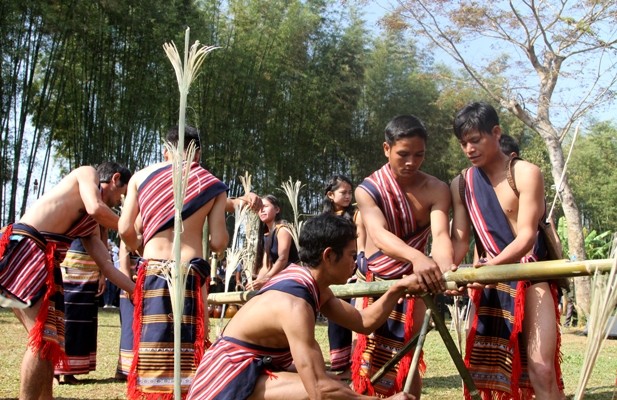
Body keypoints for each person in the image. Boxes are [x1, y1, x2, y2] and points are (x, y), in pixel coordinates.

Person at [187, 213, 418, 400]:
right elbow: (318, 390)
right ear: (329, 256)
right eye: (350, 255)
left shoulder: (311, 286)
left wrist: (396, 289)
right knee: (317, 390)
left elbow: (363, 322)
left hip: (246, 376)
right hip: (224, 384)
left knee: (333, 386)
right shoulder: (295, 306)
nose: (355, 262)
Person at [450, 101, 564, 399]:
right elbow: (460, 240)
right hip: (489, 286)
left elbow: (526, 236)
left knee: (542, 370)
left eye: (475, 140)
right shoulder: (462, 184)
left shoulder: (527, 173)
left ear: (496, 133)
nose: (469, 149)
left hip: (531, 277)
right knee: (488, 378)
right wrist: (446, 270)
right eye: (463, 143)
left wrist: (491, 268)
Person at [0, 161, 135, 400]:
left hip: (43, 260)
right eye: (123, 195)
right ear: (115, 179)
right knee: (43, 339)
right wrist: (129, 228)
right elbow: (95, 207)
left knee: (49, 342)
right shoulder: (86, 173)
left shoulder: (91, 226)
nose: (121, 202)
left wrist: (138, 291)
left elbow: (107, 266)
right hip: (26, 248)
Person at [118, 125, 229, 399]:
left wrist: (138, 247)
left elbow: (124, 229)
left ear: (165, 152)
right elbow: (218, 242)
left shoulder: (141, 177)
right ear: (198, 153)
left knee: (151, 344)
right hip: (189, 272)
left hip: (153, 267)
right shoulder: (212, 184)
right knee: (188, 346)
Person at [352, 115, 454, 398]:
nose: (411, 162)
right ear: (386, 149)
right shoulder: (368, 189)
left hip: (414, 282)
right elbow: (380, 235)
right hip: (375, 278)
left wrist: (445, 272)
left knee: (409, 353)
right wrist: (417, 258)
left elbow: (441, 235)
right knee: (366, 357)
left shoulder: (437, 189)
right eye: (403, 154)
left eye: (419, 155)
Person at [321, 175, 362, 376]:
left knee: (352, 314)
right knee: (335, 316)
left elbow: (360, 245)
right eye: (342, 192)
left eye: (349, 192)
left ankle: (356, 364)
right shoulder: (324, 220)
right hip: (330, 272)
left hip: (352, 270)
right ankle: (340, 365)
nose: (348, 196)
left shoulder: (356, 215)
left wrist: (357, 268)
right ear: (330, 195)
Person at [53, 235, 106, 385]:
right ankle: (55, 371)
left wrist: (103, 273)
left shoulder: (99, 214)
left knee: (83, 322)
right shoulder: (68, 211)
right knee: (65, 319)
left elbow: (103, 236)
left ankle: (71, 372)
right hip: (69, 265)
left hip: (92, 267)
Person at [247, 194, 299, 291]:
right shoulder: (267, 234)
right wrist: (256, 283)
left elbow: (283, 259)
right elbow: (266, 266)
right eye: (259, 208)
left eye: (265, 206)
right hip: (278, 276)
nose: (262, 210)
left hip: (292, 276)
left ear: (277, 210)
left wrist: (266, 279)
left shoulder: (283, 229)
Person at [103, 239, 120, 308]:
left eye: (110, 245)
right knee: (107, 288)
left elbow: (117, 263)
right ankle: (106, 303)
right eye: (109, 245)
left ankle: (111, 303)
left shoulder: (115, 253)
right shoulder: (104, 253)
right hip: (107, 274)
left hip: (114, 273)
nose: (110, 246)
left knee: (113, 288)